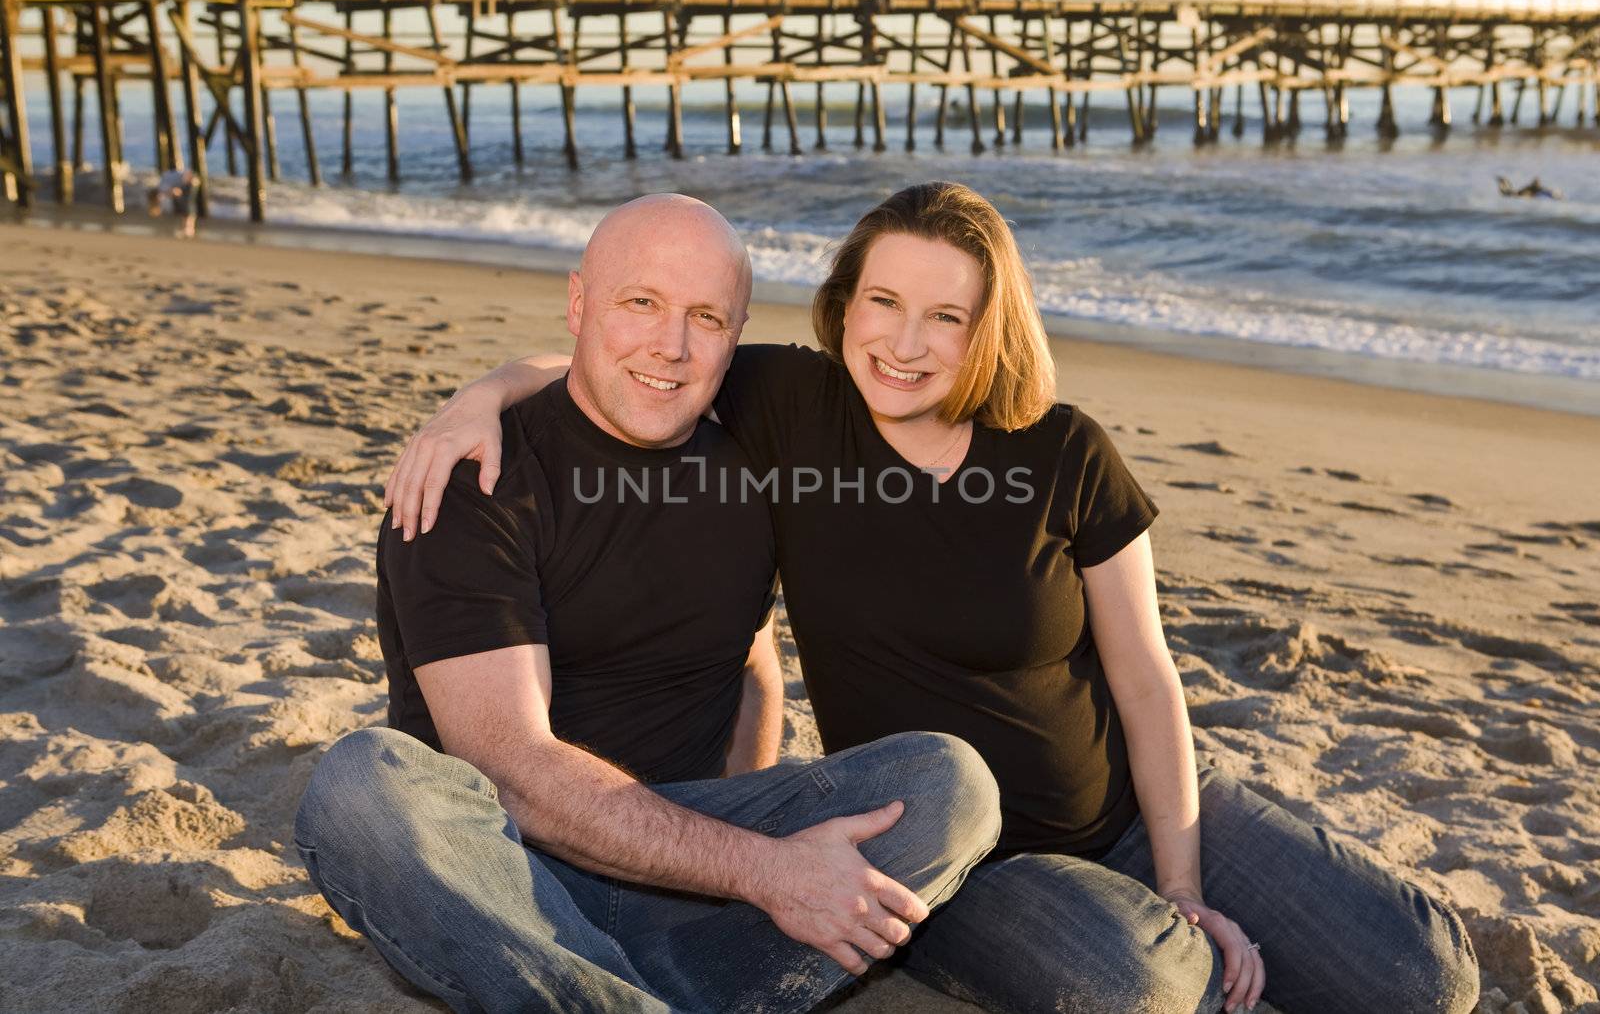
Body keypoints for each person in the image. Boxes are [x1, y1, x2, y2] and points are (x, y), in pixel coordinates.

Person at [388, 182, 1481, 1014]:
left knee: (1427, 976)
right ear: (843, 304)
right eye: (883, 302)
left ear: (986, 325)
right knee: (1144, 989)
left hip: (1136, 810)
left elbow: (1146, 679)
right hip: (966, 851)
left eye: (945, 317)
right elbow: (633, 353)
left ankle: (1185, 911)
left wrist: (1186, 876)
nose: (905, 344)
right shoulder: (794, 406)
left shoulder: (1063, 450)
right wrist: (471, 398)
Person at [294, 194, 1002, 1014]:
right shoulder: (475, 476)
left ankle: (604, 990)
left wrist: (748, 860)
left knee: (946, 783)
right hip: (498, 866)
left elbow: (752, 665)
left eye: (706, 316)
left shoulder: (756, 449)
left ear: (736, 337)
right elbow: (510, 768)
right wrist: (767, 872)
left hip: (687, 861)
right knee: (363, 787)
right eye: (641, 302)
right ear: (577, 302)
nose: (671, 345)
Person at [144, 167, 198, 238]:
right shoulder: (163, 184)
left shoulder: (162, 188)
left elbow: (175, 191)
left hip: (190, 177)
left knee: (187, 205)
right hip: (190, 177)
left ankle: (188, 230)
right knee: (188, 204)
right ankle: (189, 229)